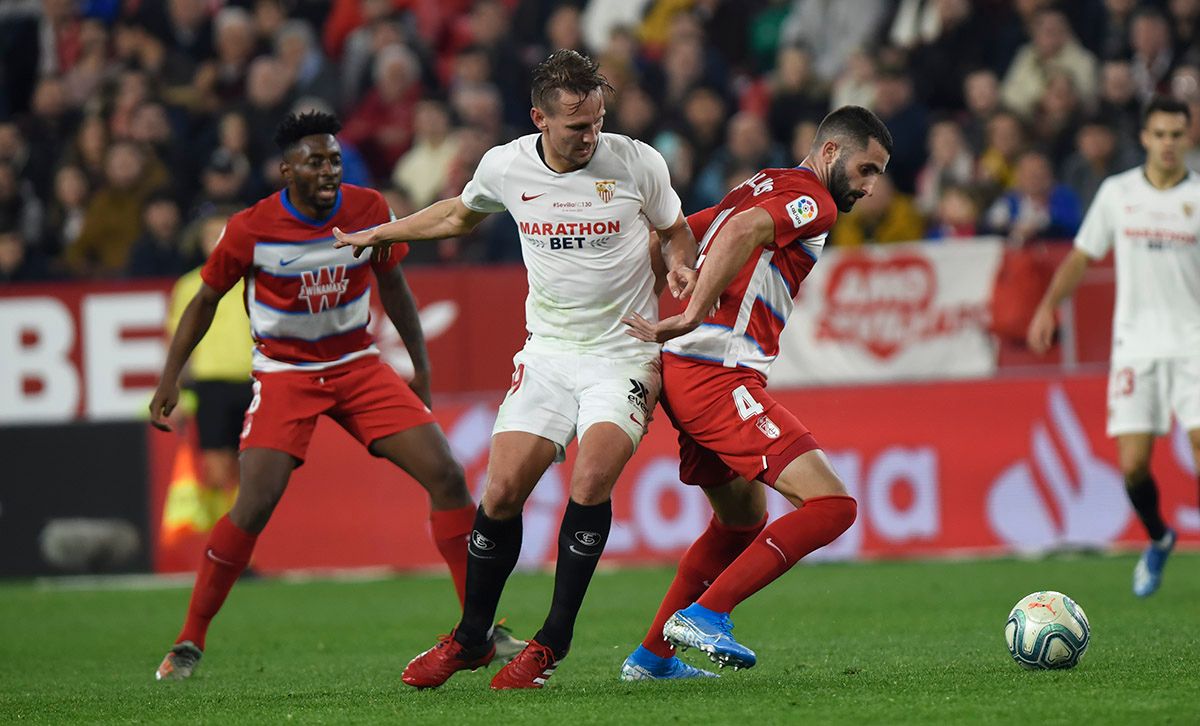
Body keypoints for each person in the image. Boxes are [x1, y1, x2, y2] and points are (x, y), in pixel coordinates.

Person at [333, 50, 698, 690]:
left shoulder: (638, 160)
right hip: (549, 352)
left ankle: (551, 642)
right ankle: (472, 637)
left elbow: (675, 229)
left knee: (590, 481)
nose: (590, 137)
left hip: (623, 352)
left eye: (597, 123)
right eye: (575, 128)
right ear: (539, 120)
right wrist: (382, 232)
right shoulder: (505, 166)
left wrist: (681, 265)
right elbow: (456, 214)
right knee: (500, 493)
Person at [150, 111, 489, 681]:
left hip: (358, 367)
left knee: (448, 476)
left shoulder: (368, 209)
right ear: (287, 170)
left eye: (333, 159)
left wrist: (420, 368)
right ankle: (189, 639)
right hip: (286, 375)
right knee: (253, 505)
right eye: (314, 161)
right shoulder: (251, 228)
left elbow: (395, 287)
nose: (328, 169)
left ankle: (476, 630)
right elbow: (205, 300)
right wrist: (169, 377)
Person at [617, 105, 892, 679]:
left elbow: (683, 232)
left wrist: (638, 286)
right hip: (717, 374)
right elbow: (740, 232)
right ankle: (708, 613)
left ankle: (652, 658)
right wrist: (690, 312)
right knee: (833, 507)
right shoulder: (812, 200)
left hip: (689, 370)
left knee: (741, 523)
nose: (869, 187)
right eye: (866, 170)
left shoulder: (758, 184)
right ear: (831, 152)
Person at [1027, 96, 1200, 599]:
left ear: (1187, 138)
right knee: (1132, 466)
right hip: (1136, 347)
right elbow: (1082, 257)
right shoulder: (1118, 193)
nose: (1168, 143)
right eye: (1159, 134)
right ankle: (1160, 536)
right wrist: (1048, 306)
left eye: (1176, 134)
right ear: (1145, 139)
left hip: (1193, 344)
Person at [164, 209, 253, 523]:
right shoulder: (189, 285)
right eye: (210, 235)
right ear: (200, 242)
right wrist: (173, 387)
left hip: (253, 382)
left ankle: (242, 544)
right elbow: (178, 342)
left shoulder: (254, 278)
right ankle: (222, 537)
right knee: (217, 468)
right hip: (211, 385)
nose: (217, 241)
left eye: (224, 233)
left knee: (251, 469)